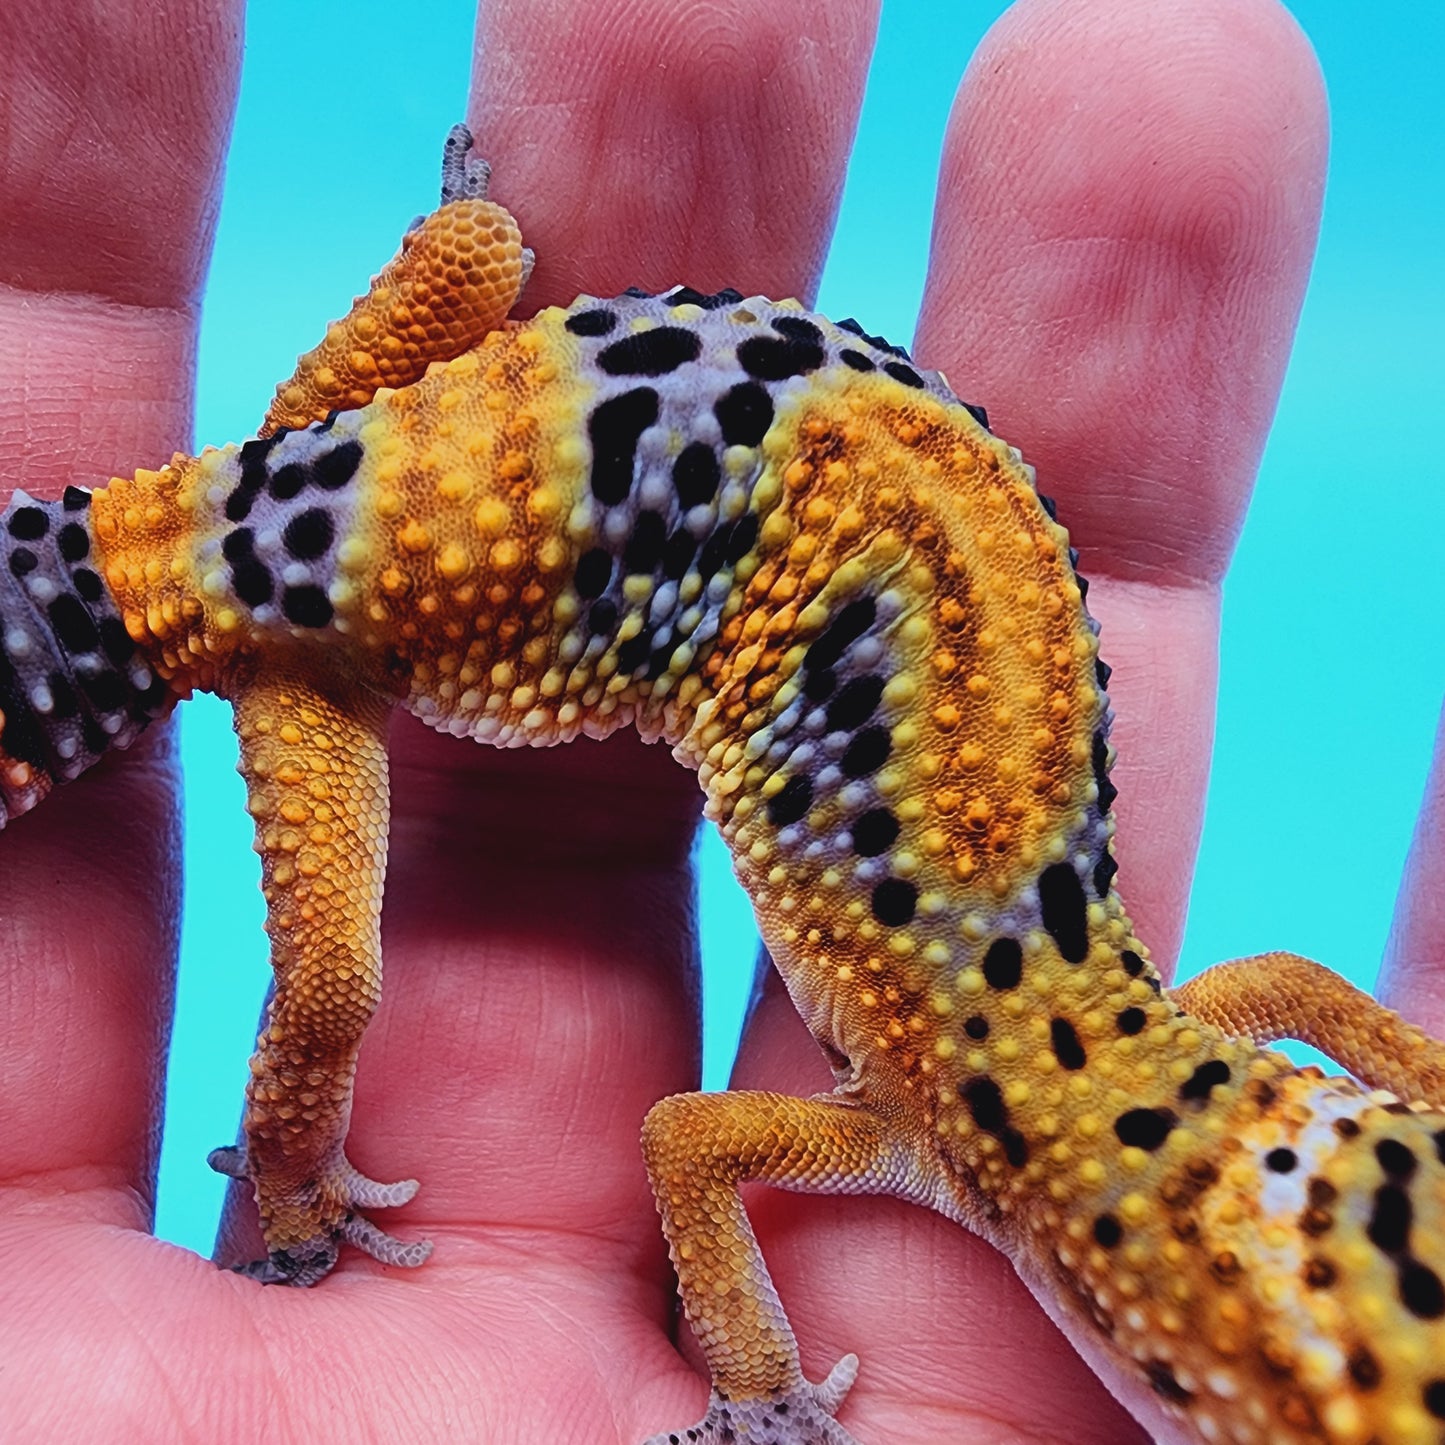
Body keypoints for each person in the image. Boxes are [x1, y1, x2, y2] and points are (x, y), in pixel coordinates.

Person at [1, 0, 1438, 1439]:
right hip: (320, 626)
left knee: (484, 251)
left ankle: (450, 271)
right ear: (1166, 1342)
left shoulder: (1190, 1028)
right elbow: (689, 1139)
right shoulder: (937, 1106)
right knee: (330, 995)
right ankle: (292, 1180)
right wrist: (749, 1387)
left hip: (433, 458)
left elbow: (1293, 995)